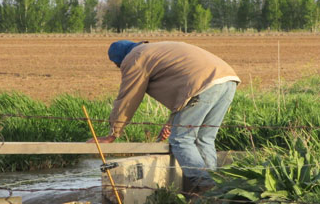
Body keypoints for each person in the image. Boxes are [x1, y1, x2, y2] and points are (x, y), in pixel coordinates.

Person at [92, 40, 240, 193]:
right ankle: (215, 190)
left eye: (118, 66)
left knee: (181, 139)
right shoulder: (154, 51)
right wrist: (172, 122)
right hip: (227, 79)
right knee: (204, 139)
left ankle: (205, 185)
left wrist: (113, 133)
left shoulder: (134, 58)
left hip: (203, 83)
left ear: (120, 60)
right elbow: (184, 87)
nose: (120, 68)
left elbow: (128, 98)